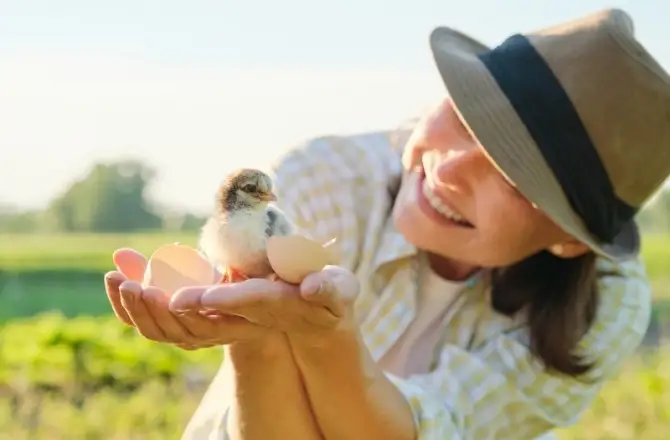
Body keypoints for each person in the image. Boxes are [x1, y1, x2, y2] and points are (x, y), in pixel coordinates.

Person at [104, 8, 669, 440]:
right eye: (465, 116)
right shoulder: (329, 178)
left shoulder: (602, 309)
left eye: (513, 177)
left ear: (570, 240)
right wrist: (257, 335)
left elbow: (430, 427)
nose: (447, 169)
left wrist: (321, 335)